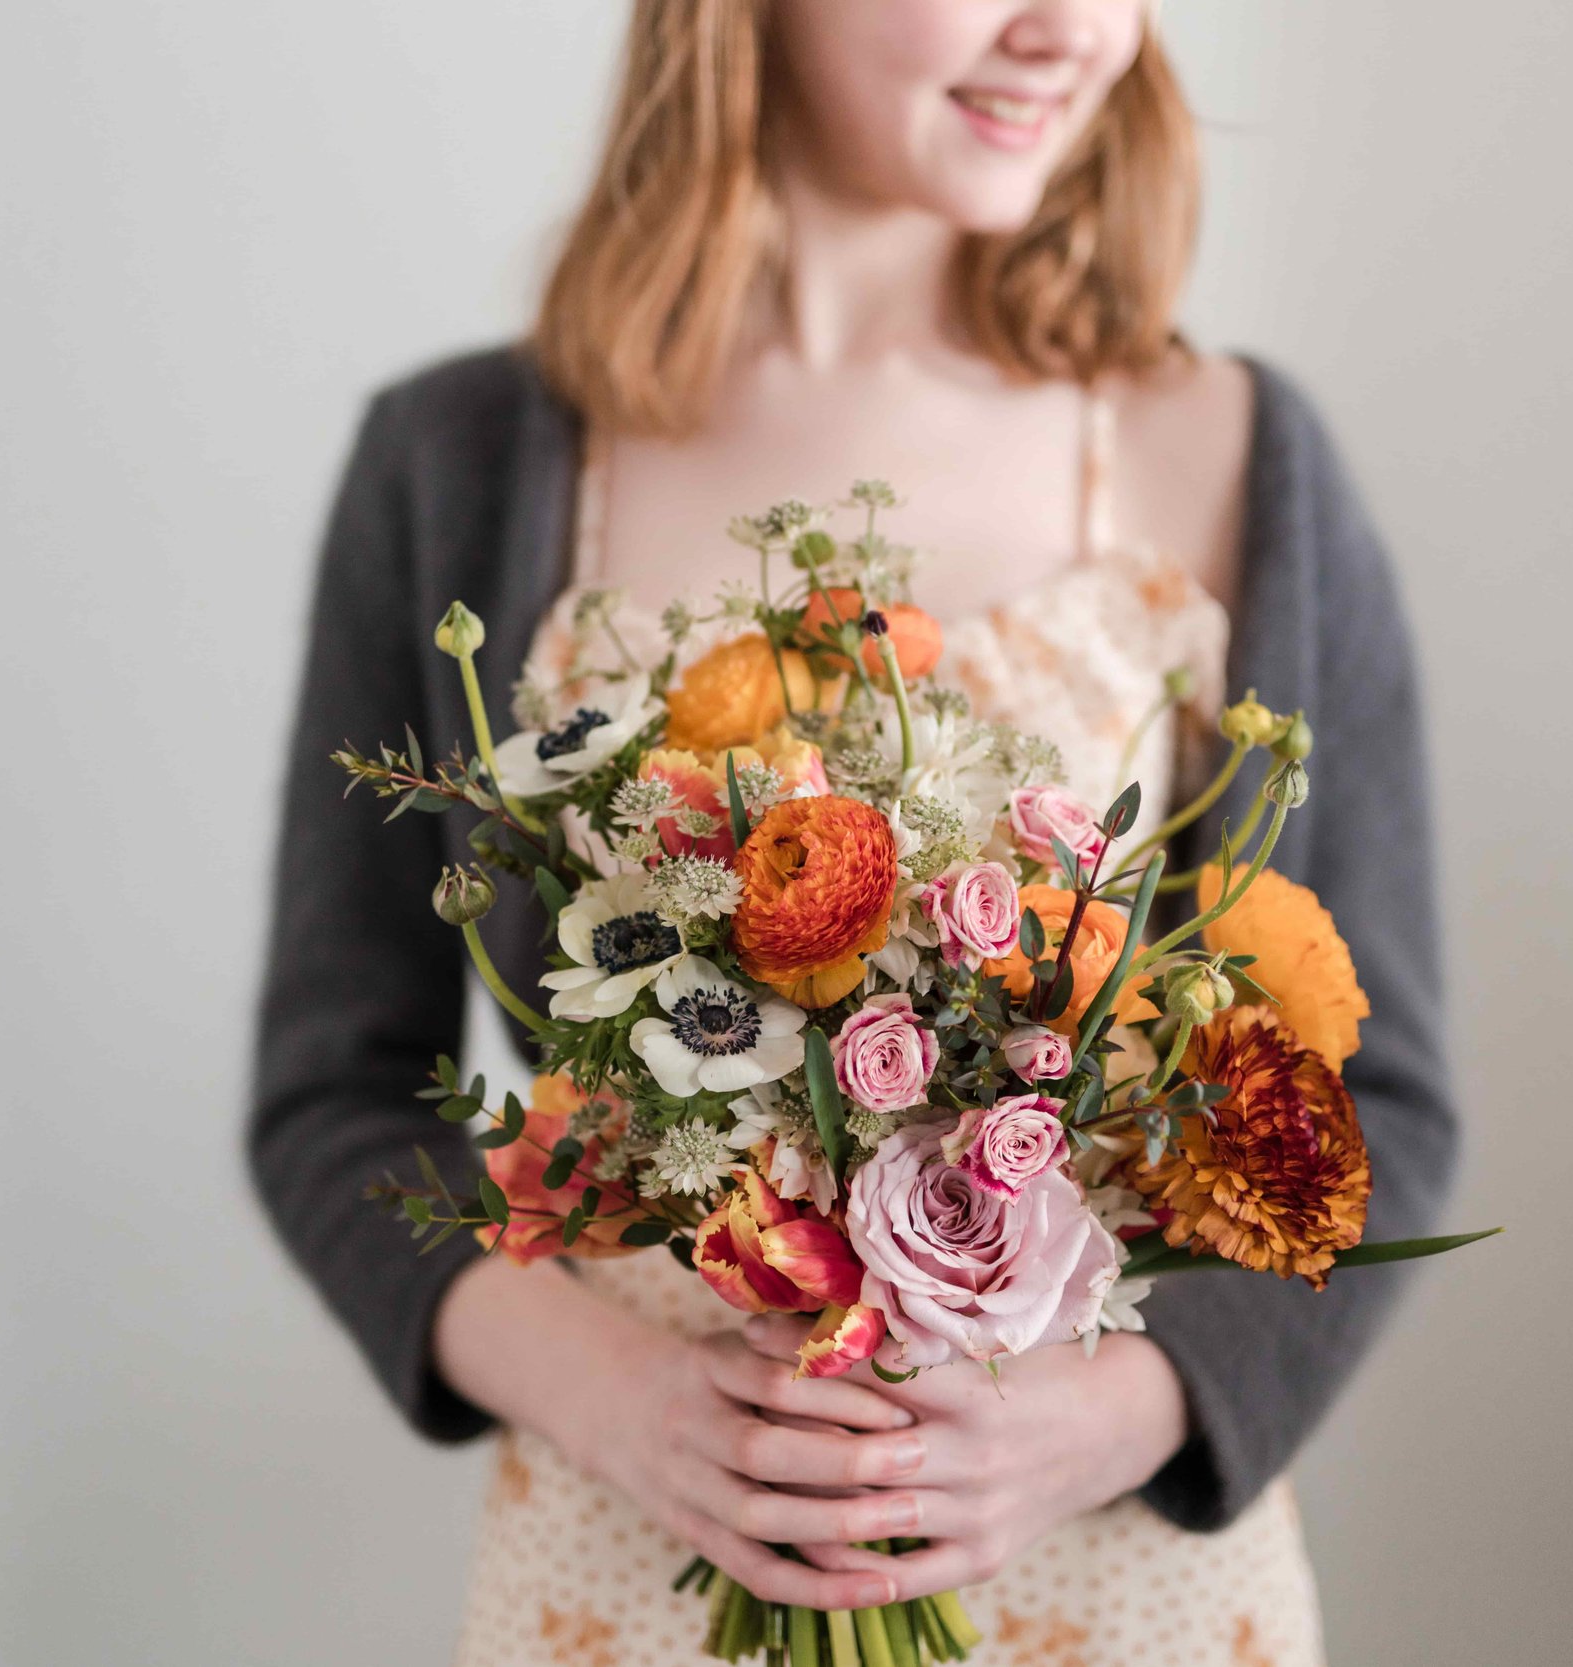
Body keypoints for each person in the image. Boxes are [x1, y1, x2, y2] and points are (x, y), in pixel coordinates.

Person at [250, 3, 1458, 1662]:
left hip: (1115, 1578)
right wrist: (625, 1403)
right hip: (629, 1552)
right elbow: (334, 1094)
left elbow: (1376, 1104)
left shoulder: (1235, 455)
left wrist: (1108, 1421)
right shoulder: (461, 463)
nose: (1072, 32)